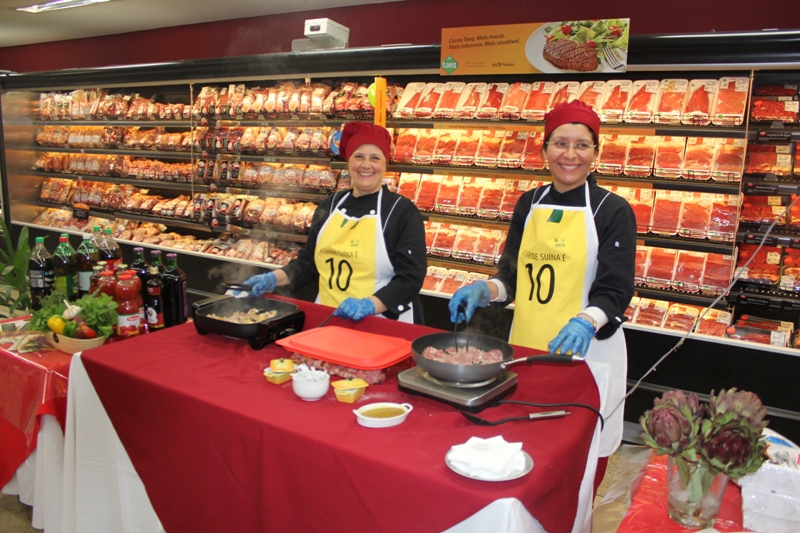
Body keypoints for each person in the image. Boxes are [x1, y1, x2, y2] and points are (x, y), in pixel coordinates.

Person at [448, 100, 636, 502]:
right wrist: (486, 290)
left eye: (582, 145)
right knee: (529, 450)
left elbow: (617, 289)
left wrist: (587, 320)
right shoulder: (528, 202)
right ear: (544, 149)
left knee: (583, 462)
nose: (570, 155)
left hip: (589, 355)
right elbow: (511, 277)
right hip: (529, 345)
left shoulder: (612, 210)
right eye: (560, 143)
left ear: (597, 153)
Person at [244, 122, 427, 323]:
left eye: (375, 158)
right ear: (349, 161)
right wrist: (272, 279)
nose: (366, 165)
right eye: (359, 156)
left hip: (382, 321)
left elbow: (410, 278)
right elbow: (309, 263)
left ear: (385, 164)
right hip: (328, 318)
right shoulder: (330, 205)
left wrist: (369, 305)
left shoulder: (401, 212)